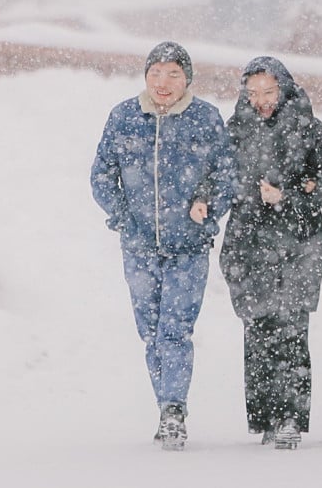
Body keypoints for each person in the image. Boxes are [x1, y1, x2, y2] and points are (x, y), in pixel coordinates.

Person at [90, 41, 236, 451]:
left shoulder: (205, 118)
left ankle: (174, 408)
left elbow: (225, 174)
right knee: (150, 331)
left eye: (173, 74)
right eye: (156, 73)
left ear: (187, 78)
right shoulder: (124, 117)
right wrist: (122, 216)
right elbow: (102, 174)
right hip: (138, 247)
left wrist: (205, 205)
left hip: (188, 246)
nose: (164, 82)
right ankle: (165, 405)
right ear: (146, 76)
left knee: (175, 330)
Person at [220, 56, 322, 450]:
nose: (261, 100)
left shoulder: (308, 128)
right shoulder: (235, 129)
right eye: (253, 93)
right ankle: (265, 418)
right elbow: (220, 178)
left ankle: (291, 415)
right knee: (257, 330)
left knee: (291, 330)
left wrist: (289, 197)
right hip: (248, 243)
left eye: (268, 91)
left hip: (298, 243)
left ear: (284, 88)